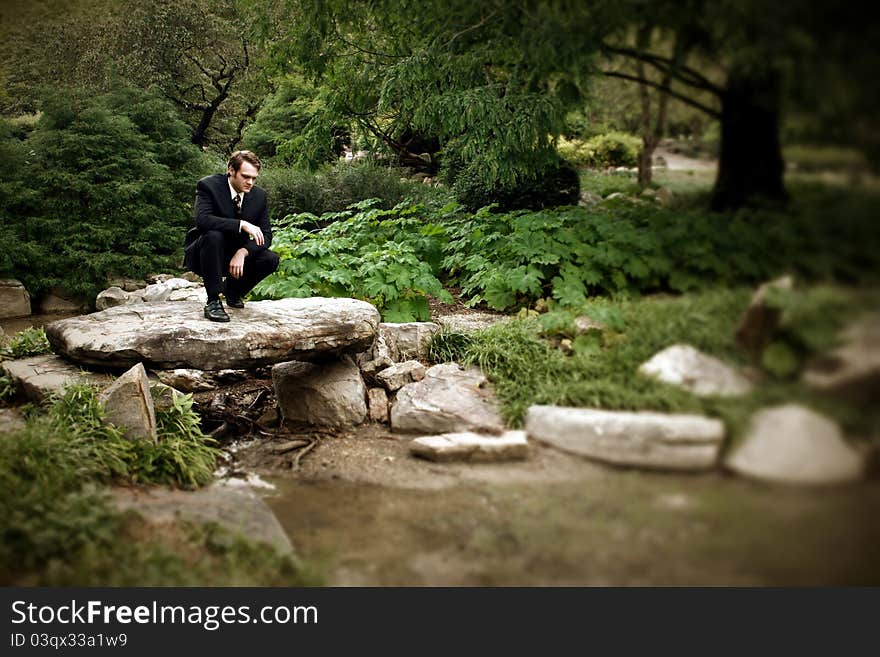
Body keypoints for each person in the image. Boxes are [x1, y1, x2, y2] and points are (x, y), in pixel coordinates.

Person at [183, 151, 279, 322]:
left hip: (235, 256)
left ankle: (233, 292)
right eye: (245, 176)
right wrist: (241, 224)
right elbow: (202, 220)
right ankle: (213, 301)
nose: (250, 182)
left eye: (254, 178)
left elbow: (266, 235)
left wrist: (243, 252)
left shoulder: (259, 196)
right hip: (206, 253)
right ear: (231, 171)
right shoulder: (208, 185)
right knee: (213, 235)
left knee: (270, 259)